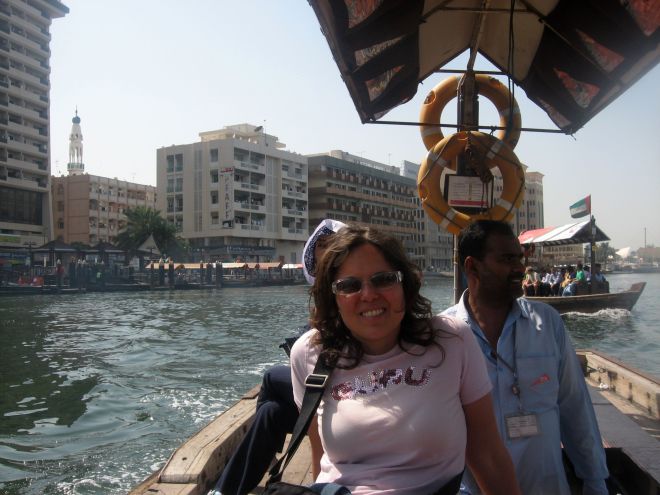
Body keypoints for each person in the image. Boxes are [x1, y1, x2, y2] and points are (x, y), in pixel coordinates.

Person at [290, 224, 520, 495]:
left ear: (406, 284)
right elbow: (321, 457)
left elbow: (487, 452)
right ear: (333, 297)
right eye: (349, 286)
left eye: (383, 279)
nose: (368, 295)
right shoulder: (309, 353)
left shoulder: (451, 340)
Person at [442, 220, 609, 495]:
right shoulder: (444, 336)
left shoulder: (548, 324)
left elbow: (575, 407)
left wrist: (595, 480)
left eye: (520, 258)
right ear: (472, 267)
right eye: (507, 259)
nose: (520, 268)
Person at [211, 219, 346, 495]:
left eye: (333, 245)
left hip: (343, 389)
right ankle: (224, 491)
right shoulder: (325, 300)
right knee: (271, 412)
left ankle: (265, 455)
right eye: (321, 246)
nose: (327, 252)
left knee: (271, 377)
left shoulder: (350, 290)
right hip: (325, 387)